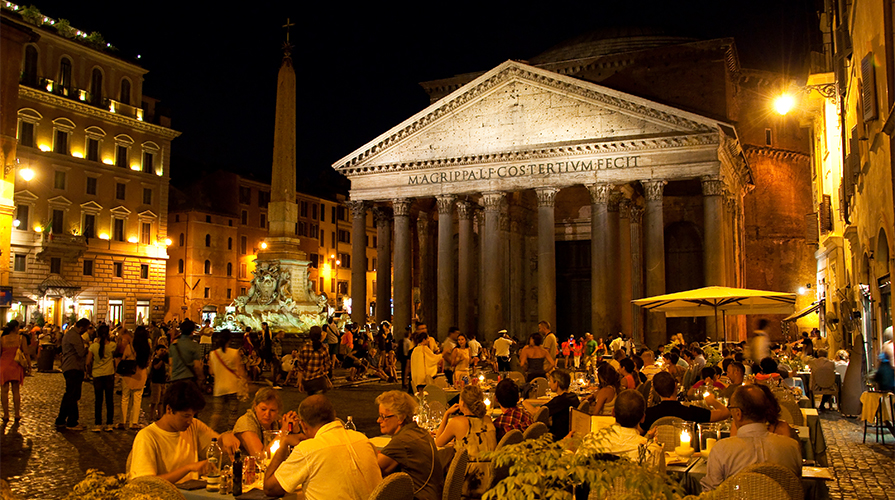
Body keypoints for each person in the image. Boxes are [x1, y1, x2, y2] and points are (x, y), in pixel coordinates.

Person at [263, 395, 382, 499]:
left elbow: (270, 489)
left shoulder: (308, 449)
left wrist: (284, 442)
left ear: (303, 425)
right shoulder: (362, 439)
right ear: (333, 415)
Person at [127, 380, 240, 484]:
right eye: (186, 416)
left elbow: (215, 445)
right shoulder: (147, 437)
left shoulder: (193, 425)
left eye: (192, 415)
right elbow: (145, 483)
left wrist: (225, 438)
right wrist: (188, 468)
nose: (190, 421)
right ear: (169, 409)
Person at [700, 385, 802, 491]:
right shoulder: (791, 447)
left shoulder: (721, 450)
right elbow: (797, 486)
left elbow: (711, 493)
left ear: (738, 414)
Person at [374, 390, 444, 500]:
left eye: (383, 416)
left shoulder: (402, 441)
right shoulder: (421, 432)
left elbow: (372, 470)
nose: (379, 420)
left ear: (400, 418)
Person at [579, 390, 665, 473]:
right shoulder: (652, 451)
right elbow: (661, 484)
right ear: (643, 418)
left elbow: (577, 473)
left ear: (613, 413)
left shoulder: (590, 441)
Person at [435, 385, 497, 496]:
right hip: (492, 478)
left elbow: (438, 442)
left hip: (470, 481)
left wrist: (446, 414)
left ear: (462, 403)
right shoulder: (488, 420)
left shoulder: (457, 422)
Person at [642, 372, 730, 430]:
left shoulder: (648, 415)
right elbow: (725, 413)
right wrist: (712, 401)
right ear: (676, 386)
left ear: (657, 392)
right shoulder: (691, 412)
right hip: (689, 457)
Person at [233, 386, 298, 456]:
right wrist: (284, 431)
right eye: (263, 409)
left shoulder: (276, 420)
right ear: (255, 406)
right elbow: (260, 456)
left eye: (272, 410)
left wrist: (295, 429)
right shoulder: (246, 422)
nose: (267, 414)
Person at [55, 318, 91, 431]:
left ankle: (61, 419)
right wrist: (88, 348)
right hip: (73, 367)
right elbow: (80, 352)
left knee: (69, 395)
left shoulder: (71, 334)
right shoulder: (74, 336)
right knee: (73, 395)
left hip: (71, 366)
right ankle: (72, 421)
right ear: (81, 327)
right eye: (86, 329)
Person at [524, 369, 579, 441]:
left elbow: (536, 412)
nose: (549, 384)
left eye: (550, 381)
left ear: (556, 383)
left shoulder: (559, 401)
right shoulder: (573, 396)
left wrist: (523, 402)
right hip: (570, 433)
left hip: (557, 438)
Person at [208, 329, 245, 431]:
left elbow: (211, 372)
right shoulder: (234, 353)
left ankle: (211, 431)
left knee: (217, 412)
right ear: (230, 340)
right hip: (233, 387)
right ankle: (230, 432)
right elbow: (240, 371)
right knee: (232, 413)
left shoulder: (213, 354)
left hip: (219, 388)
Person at [86, 324, 116, 432]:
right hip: (109, 374)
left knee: (98, 400)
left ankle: (98, 423)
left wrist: (89, 372)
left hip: (97, 375)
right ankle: (109, 423)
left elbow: (88, 361)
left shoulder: (93, 346)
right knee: (109, 400)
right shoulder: (112, 345)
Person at [120, 326, 151, 430]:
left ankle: (123, 421)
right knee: (137, 399)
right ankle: (134, 422)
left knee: (125, 397)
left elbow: (124, 358)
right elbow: (148, 362)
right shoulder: (147, 347)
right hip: (140, 374)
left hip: (128, 374)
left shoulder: (130, 346)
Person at [1, 321, 27, 422]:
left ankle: (6, 414)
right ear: (16, 328)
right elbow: (26, 353)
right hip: (15, 365)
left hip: (3, 366)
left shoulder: (2, 339)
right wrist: (28, 366)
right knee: (16, 391)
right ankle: (17, 414)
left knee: (4, 392)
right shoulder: (21, 338)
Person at [296, 326, 333, 395]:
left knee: (310, 402)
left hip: (307, 381)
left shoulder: (304, 348)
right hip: (319, 381)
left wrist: (300, 382)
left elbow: (300, 368)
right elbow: (328, 364)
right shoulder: (324, 348)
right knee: (318, 402)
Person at [169, 320, 202, 389]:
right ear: (192, 331)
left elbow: (171, 363)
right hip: (188, 380)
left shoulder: (174, 345)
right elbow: (197, 366)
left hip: (175, 380)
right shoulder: (194, 345)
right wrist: (201, 377)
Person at [149, 342, 169, 420]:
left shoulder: (164, 360)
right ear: (157, 351)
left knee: (161, 400)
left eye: (164, 351)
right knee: (154, 400)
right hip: (156, 382)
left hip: (162, 381)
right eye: (161, 350)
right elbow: (156, 367)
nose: (163, 352)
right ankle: (151, 415)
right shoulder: (156, 359)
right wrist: (161, 361)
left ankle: (160, 415)